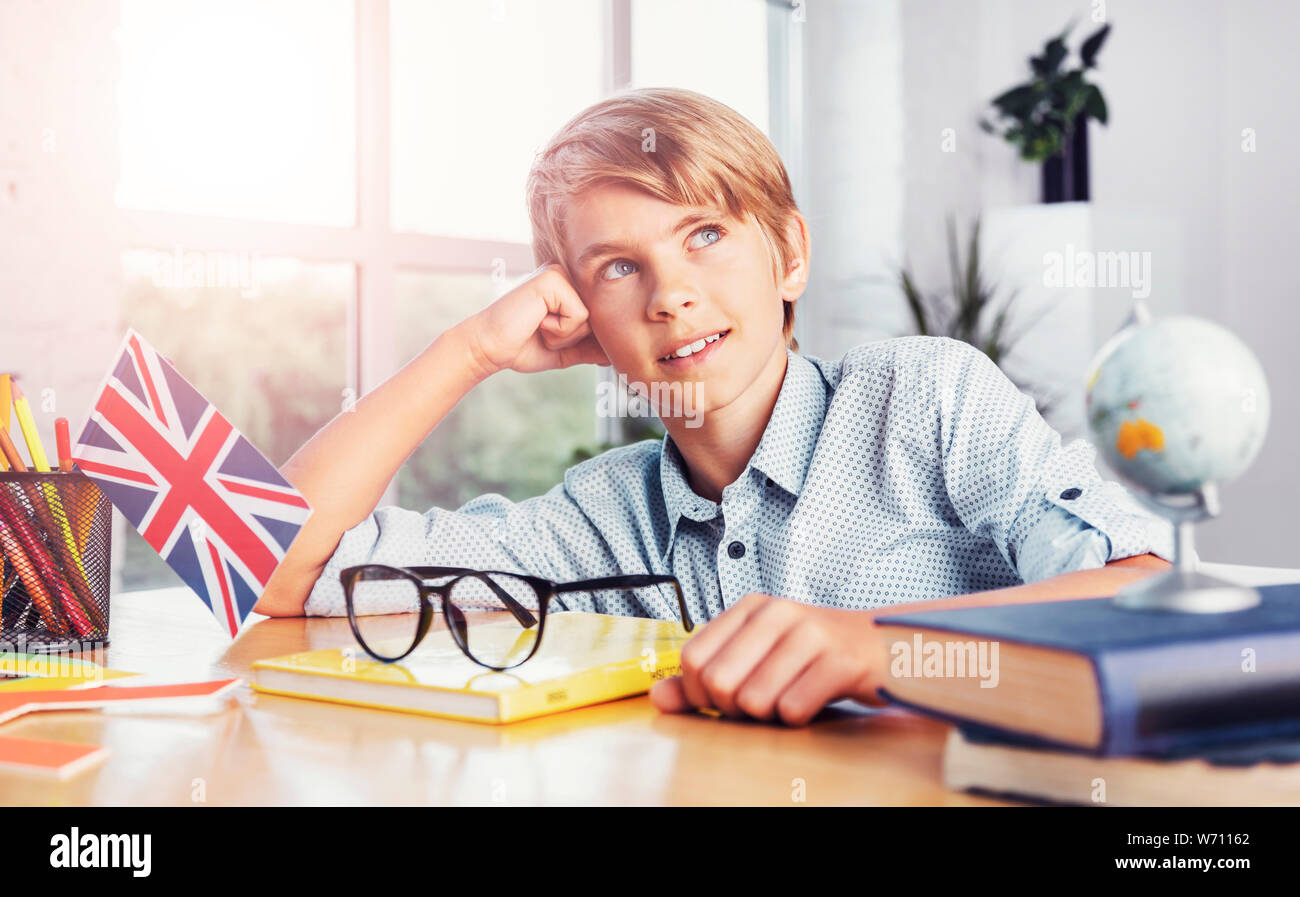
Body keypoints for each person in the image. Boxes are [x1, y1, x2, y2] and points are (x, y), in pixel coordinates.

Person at [254, 87, 1173, 725]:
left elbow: (1143, 592)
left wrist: (880, 646)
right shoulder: (600, 519)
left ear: (789, 255)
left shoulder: (926, 398)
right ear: (579, 314)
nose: (672, 295)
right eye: (620, 267)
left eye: (704, 235)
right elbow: (267, 562)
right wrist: (469, 352)